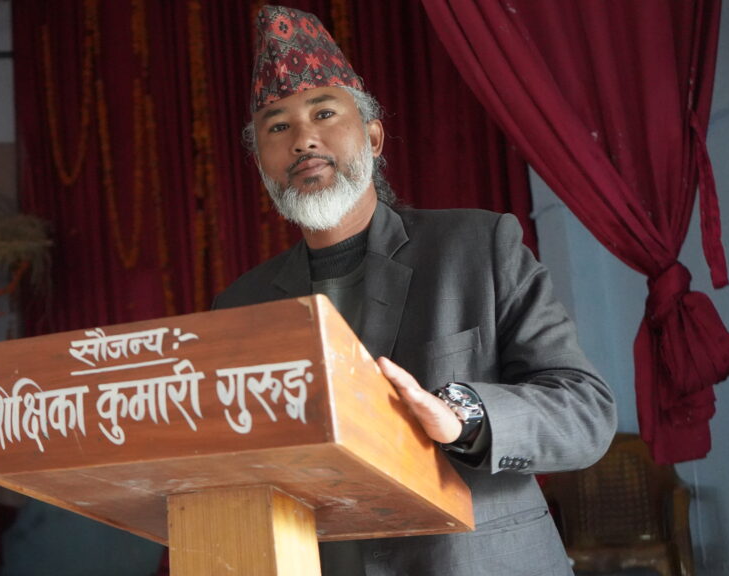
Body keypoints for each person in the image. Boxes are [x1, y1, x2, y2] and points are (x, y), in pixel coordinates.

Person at [212, 5, 617, 575]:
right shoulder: (240, 306)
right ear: (261, 162)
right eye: (277, 127)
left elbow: (585, 411)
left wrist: (464, 417)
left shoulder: (477, 247)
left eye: (324, 113)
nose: (303, 139)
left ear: (374, 136)